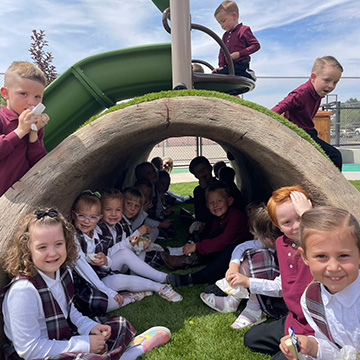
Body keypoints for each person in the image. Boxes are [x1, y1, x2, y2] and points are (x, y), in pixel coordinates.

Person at [0, 207, 171, 360]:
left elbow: (70, 311)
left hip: (62, 336)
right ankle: (130, 353)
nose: (52, 253)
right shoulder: (23, 291)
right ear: (27, 250)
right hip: (36, 354)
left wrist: (90, 327)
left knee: (118, 324)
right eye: (42, 247)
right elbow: (29, 350)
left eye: (59, 244)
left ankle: (115, 353)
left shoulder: (62, 272)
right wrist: (84, 343)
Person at [242, 185, 314, 360]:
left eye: (300, 218)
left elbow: (327, 241)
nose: (296, 226)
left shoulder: (317, 241)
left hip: (316, 326)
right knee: (251, 338)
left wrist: (310, 218)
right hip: (294, 320)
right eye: (287, 222)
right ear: (277, 225)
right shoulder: (282, 244)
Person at [72, 190, 182, 303]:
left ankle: (158, 279)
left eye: (118, 210)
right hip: (95, 281)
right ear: (101, 214)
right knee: (119, 273)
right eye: (108, 209)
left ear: (98, 217)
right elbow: (90, 267)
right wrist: (136, 235)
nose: (113, 214)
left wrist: (107, 261)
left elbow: (111, 253)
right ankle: (158, 285)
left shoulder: (114, 227)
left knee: (137, 249)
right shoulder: (97, 230)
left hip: (107, 270)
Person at [280, 206, 360, 360]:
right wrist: (310, 345)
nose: (333, 267)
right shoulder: (311, 299)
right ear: (305, 257)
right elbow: (333, 348)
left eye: (343, 255)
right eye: (321, 256)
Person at [200, 205, 287, 329]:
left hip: (281, 303)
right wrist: (233, 266)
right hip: (269, 290)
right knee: (253, 253)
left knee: (259, 256)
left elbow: (280, 288)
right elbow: (243, 246)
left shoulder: (287, 256)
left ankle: (254, 309)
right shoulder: (271, 244)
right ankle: (232, 301)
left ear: (268, 240)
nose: (256, 239)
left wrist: (248, 282)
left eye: (257, 236)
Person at [164, 181, 249, 288]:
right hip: (225, 252)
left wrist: (197, 246)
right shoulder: (217, 219)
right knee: (215, 236)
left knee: (231, 249)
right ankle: (189, 260)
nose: (216, 205)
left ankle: (195, 277)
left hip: (243, 256)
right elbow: (213, 236)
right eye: (211, 203)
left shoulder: (236, 217)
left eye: (219, 201)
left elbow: (224, 241)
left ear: (230, 201)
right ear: (207, 206)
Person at [272, 55, 343, 170]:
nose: (331, 86)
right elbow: (280, 107)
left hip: (309, 131)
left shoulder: (318, 92)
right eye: (327, 80)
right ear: (313, 77)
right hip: (298, 133)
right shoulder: (302, 93)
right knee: (335, 156)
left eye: (335, 82)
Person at [0, 61, 49, 197]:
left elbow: (38, 162)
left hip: (23, 197)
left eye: (37, 97)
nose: (32, 102)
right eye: (23, 94)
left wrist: (33, 134)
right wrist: (20, 131)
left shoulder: (35, 126)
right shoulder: (1, 119)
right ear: (5, 93)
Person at [212, 1, 260, 80]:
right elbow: (222, 52)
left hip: (240, 64)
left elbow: (256, 45)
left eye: (223, 21)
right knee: (216, 74)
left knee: (227, 73)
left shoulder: (243, 30)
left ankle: (248, 73)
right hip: (229, 66)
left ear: (234, 16)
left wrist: (239, 54)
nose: (222, 25)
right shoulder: (225, 35)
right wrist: (221, 66)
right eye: (219, 23)